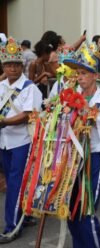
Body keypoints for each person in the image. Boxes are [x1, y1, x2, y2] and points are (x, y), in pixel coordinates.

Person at [63, 42, 100, 248]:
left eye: (85, 73)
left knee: (86, 211)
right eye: (78, 73)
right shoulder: (69, 96)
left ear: (95, 75)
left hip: (91, 158)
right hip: (69, 158)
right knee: (69, 209)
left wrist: (88, 111)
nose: (80, 77)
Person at [0, 37, 42, 243]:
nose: (13, 69)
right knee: (13, 182)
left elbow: (27, 115)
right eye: (8, 65)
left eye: (16, 64)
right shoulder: (0, 86)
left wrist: (4, 121)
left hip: (22, 143)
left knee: (15, 184)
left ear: (21, 65)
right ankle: (24, 217)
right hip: (4, 142)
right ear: (3, 66)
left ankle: (12, 227)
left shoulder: (29, 88)